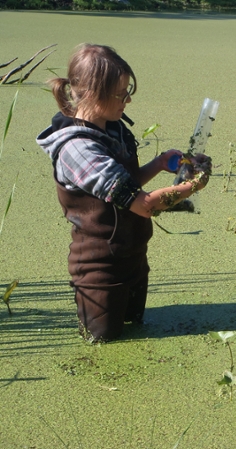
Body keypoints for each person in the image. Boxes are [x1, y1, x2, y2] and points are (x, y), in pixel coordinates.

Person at [36, 44, 211, 342]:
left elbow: (127, 185)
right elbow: (143, 205)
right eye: (120, 93)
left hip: (133, 258)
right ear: (92, 93)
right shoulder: (78, 149)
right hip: (99, 271)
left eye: (127, 89)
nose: (128, 99)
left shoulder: (112, 127)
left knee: (137, 329)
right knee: (103, 342)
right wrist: (193, 186)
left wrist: (161, 162)